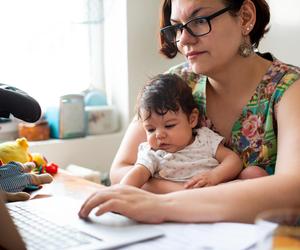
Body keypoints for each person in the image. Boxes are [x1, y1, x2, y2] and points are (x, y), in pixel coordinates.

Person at [79, 0, 300, 224]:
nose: (183, 40)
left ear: (245, 17)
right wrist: (184, 193)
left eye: (199, 20)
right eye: (177, 27)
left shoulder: (290, 89)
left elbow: (292, 192)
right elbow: (120, 170)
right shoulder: (178, 84)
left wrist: (163, 204)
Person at [120, 73, 242, 188]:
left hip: (216, 192)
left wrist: (215, 176)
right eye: (150, 129)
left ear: (192, 119)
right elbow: (136, 175)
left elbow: (233, 160)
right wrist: (120, 193)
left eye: (169, 126)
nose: (159, 135)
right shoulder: (152, 154)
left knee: (253, 173)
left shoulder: (204, 138)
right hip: (178, 202)